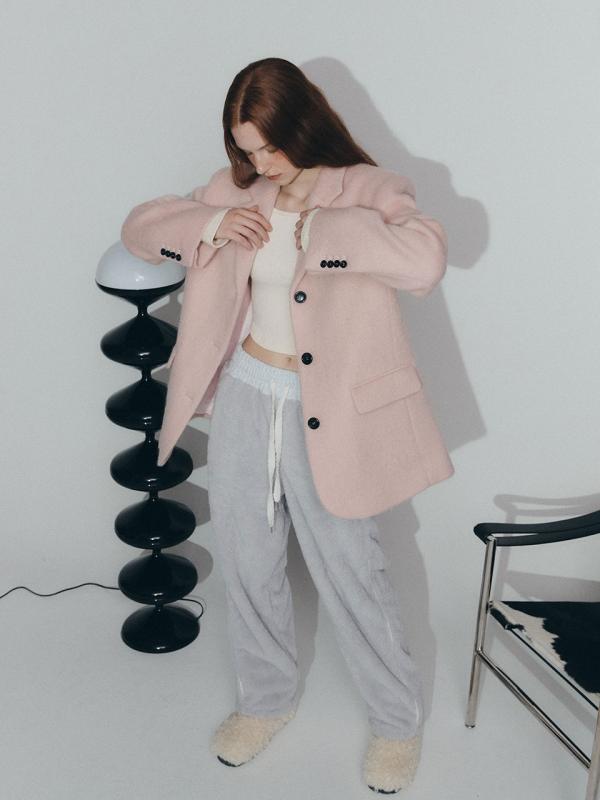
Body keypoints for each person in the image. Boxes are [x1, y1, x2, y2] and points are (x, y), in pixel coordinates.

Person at [120, 57, 454, 794]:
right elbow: (141, 227)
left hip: (328, 410)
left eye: (270, 146)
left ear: (303, 122)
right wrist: (210, 222)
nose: (262, 163)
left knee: (351, 570)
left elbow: (425, 260)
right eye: (247, 149)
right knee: (248, 559)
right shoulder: (236, 189)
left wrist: (324, 229)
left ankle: (397, 720)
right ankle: (265, 702)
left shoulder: (368, 190)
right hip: (246, 392)